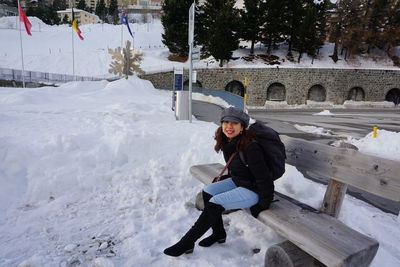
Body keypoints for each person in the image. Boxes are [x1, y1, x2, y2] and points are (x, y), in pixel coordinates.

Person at [164, 107, 275, 257]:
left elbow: (264, 177)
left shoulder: (251, 147)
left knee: (215, 203)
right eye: (226, 122)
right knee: (208, 192)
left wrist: (263, 203)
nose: (229, 126)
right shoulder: (229, 141)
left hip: (254, 190)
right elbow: (239, 168)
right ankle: (219, 234)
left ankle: (187, 242)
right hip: (240, 181)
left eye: (234, 123)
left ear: (242, 127)